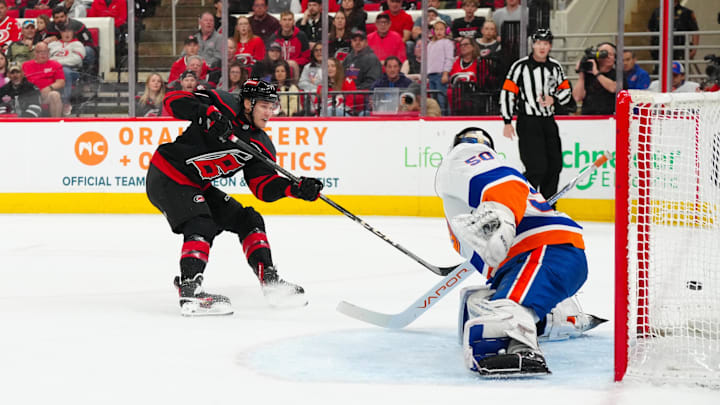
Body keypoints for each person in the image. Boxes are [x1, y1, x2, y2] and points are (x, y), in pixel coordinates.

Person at [147, 79, 324, 315]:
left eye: (273, 107)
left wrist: (295, 189)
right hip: (168, 174)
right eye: (264, 106)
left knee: (249, 219)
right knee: (201, 223)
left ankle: (270, 282)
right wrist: (205, 114)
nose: (269, 113)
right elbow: (173, 101)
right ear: (249, 103)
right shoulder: (224, 104)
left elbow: (262, 187)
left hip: (197, 184)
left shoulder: (261, 144)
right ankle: (190, 290)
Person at [435, 127, 594, 376]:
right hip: (533, 258)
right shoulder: (460, 196)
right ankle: (554, 316)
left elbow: (501, 180)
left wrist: (500, 216)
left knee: (504, 313)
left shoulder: (463, 155)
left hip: (545, 250)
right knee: (477, 302)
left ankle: (522, 344)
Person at [499, 29, 572, 202]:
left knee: (555, 166)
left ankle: (548, 206)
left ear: (550, 46)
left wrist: (554, 99)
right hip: (528, 122)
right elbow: (508, 92)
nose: (542, 47)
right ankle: (525, 203)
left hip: (548, 121)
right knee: (536, 167)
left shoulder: (555, 67)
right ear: (533, 44)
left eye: (546, 44)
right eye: (539, 43)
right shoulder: (520, 66)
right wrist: (507, 120)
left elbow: (566, 92)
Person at [648, 0, 699, 71]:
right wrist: (652, 45)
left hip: (679, 50)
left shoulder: (686, 12)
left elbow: (695, 31)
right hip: (660, 50)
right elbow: (650, 29)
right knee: (659, 73)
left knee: (679, 74)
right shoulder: (657, 12)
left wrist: (693, 49)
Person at [572, 42, 620, 115]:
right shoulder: (588, 75)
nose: (608, 57)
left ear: (615, 57)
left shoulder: (619, 74)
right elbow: (577, 97)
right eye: (604, 54)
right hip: (589, 118)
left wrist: (596, 72)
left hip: (610, 118)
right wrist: (581, 73)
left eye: (611, 54)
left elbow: (613, 88)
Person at [47, 5, 96, 74]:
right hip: (59, 50)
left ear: (66, 16)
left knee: (88, 50)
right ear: (53, 18)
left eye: (62, 17)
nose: (59, 20)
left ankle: (87, 74)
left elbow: (88, 41)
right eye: (57, 18)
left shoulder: (78, 25)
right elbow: (42, 41)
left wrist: (76, 44)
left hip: (76, 48)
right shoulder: (49, 27)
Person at [48, 25, 85, 116]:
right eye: (64, 31)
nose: (67, 34)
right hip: (52, 69)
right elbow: (46, 58)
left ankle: (66, 101)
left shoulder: (78, 44)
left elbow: (77, 59)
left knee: (64, 71)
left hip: (71, 70)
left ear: (73, 33)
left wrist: (57, 63)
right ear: (60, 33)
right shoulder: (52, 45)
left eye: (69, 31)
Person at [22, 41, 64, 117]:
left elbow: (61, 82)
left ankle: (56, 123)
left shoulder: (55, 65)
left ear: (49, 52)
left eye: (45, 51)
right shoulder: (25, 65)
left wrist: (49, 88)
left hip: (46, 95)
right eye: (39, 52)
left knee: (55, 95)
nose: (43, 54)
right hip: (30, 95)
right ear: (34, 53)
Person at [268, 11, 311, 81]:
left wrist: (293, 62)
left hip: (297, 71)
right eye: (284, 20)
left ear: (293, 22)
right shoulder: (274, 38)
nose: (287, 23)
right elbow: (269, 58)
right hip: (277, 72)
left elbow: (307, 58)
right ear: (280, 22)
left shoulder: (301, 36)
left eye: (289, 20)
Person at [427, 19, 454, 115]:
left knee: (442, 99)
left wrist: (446, 73)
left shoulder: (447, 43)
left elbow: (449, 59)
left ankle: (445, 117)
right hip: (431, 75)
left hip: (441, 75)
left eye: (441, 29)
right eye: (437, 29)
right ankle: (436, 116)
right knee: (434, 100)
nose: (439, 31)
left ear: (446, 31)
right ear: (433, 31)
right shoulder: (430, 44)